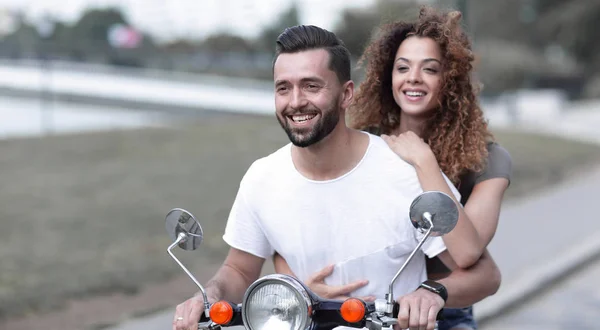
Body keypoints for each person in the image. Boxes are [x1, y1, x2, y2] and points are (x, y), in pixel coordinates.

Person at [173, 24, 501, 330]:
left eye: (311, 86)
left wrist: (431, 293)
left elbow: (484, 273)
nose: (296, 102)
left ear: (346, 94)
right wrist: (210, 295)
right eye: (283, 88)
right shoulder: (261, 178)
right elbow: (239, 270)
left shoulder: (405, 173)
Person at [272, 6, 512, 330]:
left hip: (439, 312)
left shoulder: (488, 160)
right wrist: (304, 283)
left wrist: (424, 161)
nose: (413, 77)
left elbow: (467, 256)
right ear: (389, 76)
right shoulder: (365, 144)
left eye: (429, 69)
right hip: (360, 310)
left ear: (449, 80)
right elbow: (297, 229)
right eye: (403, 67)